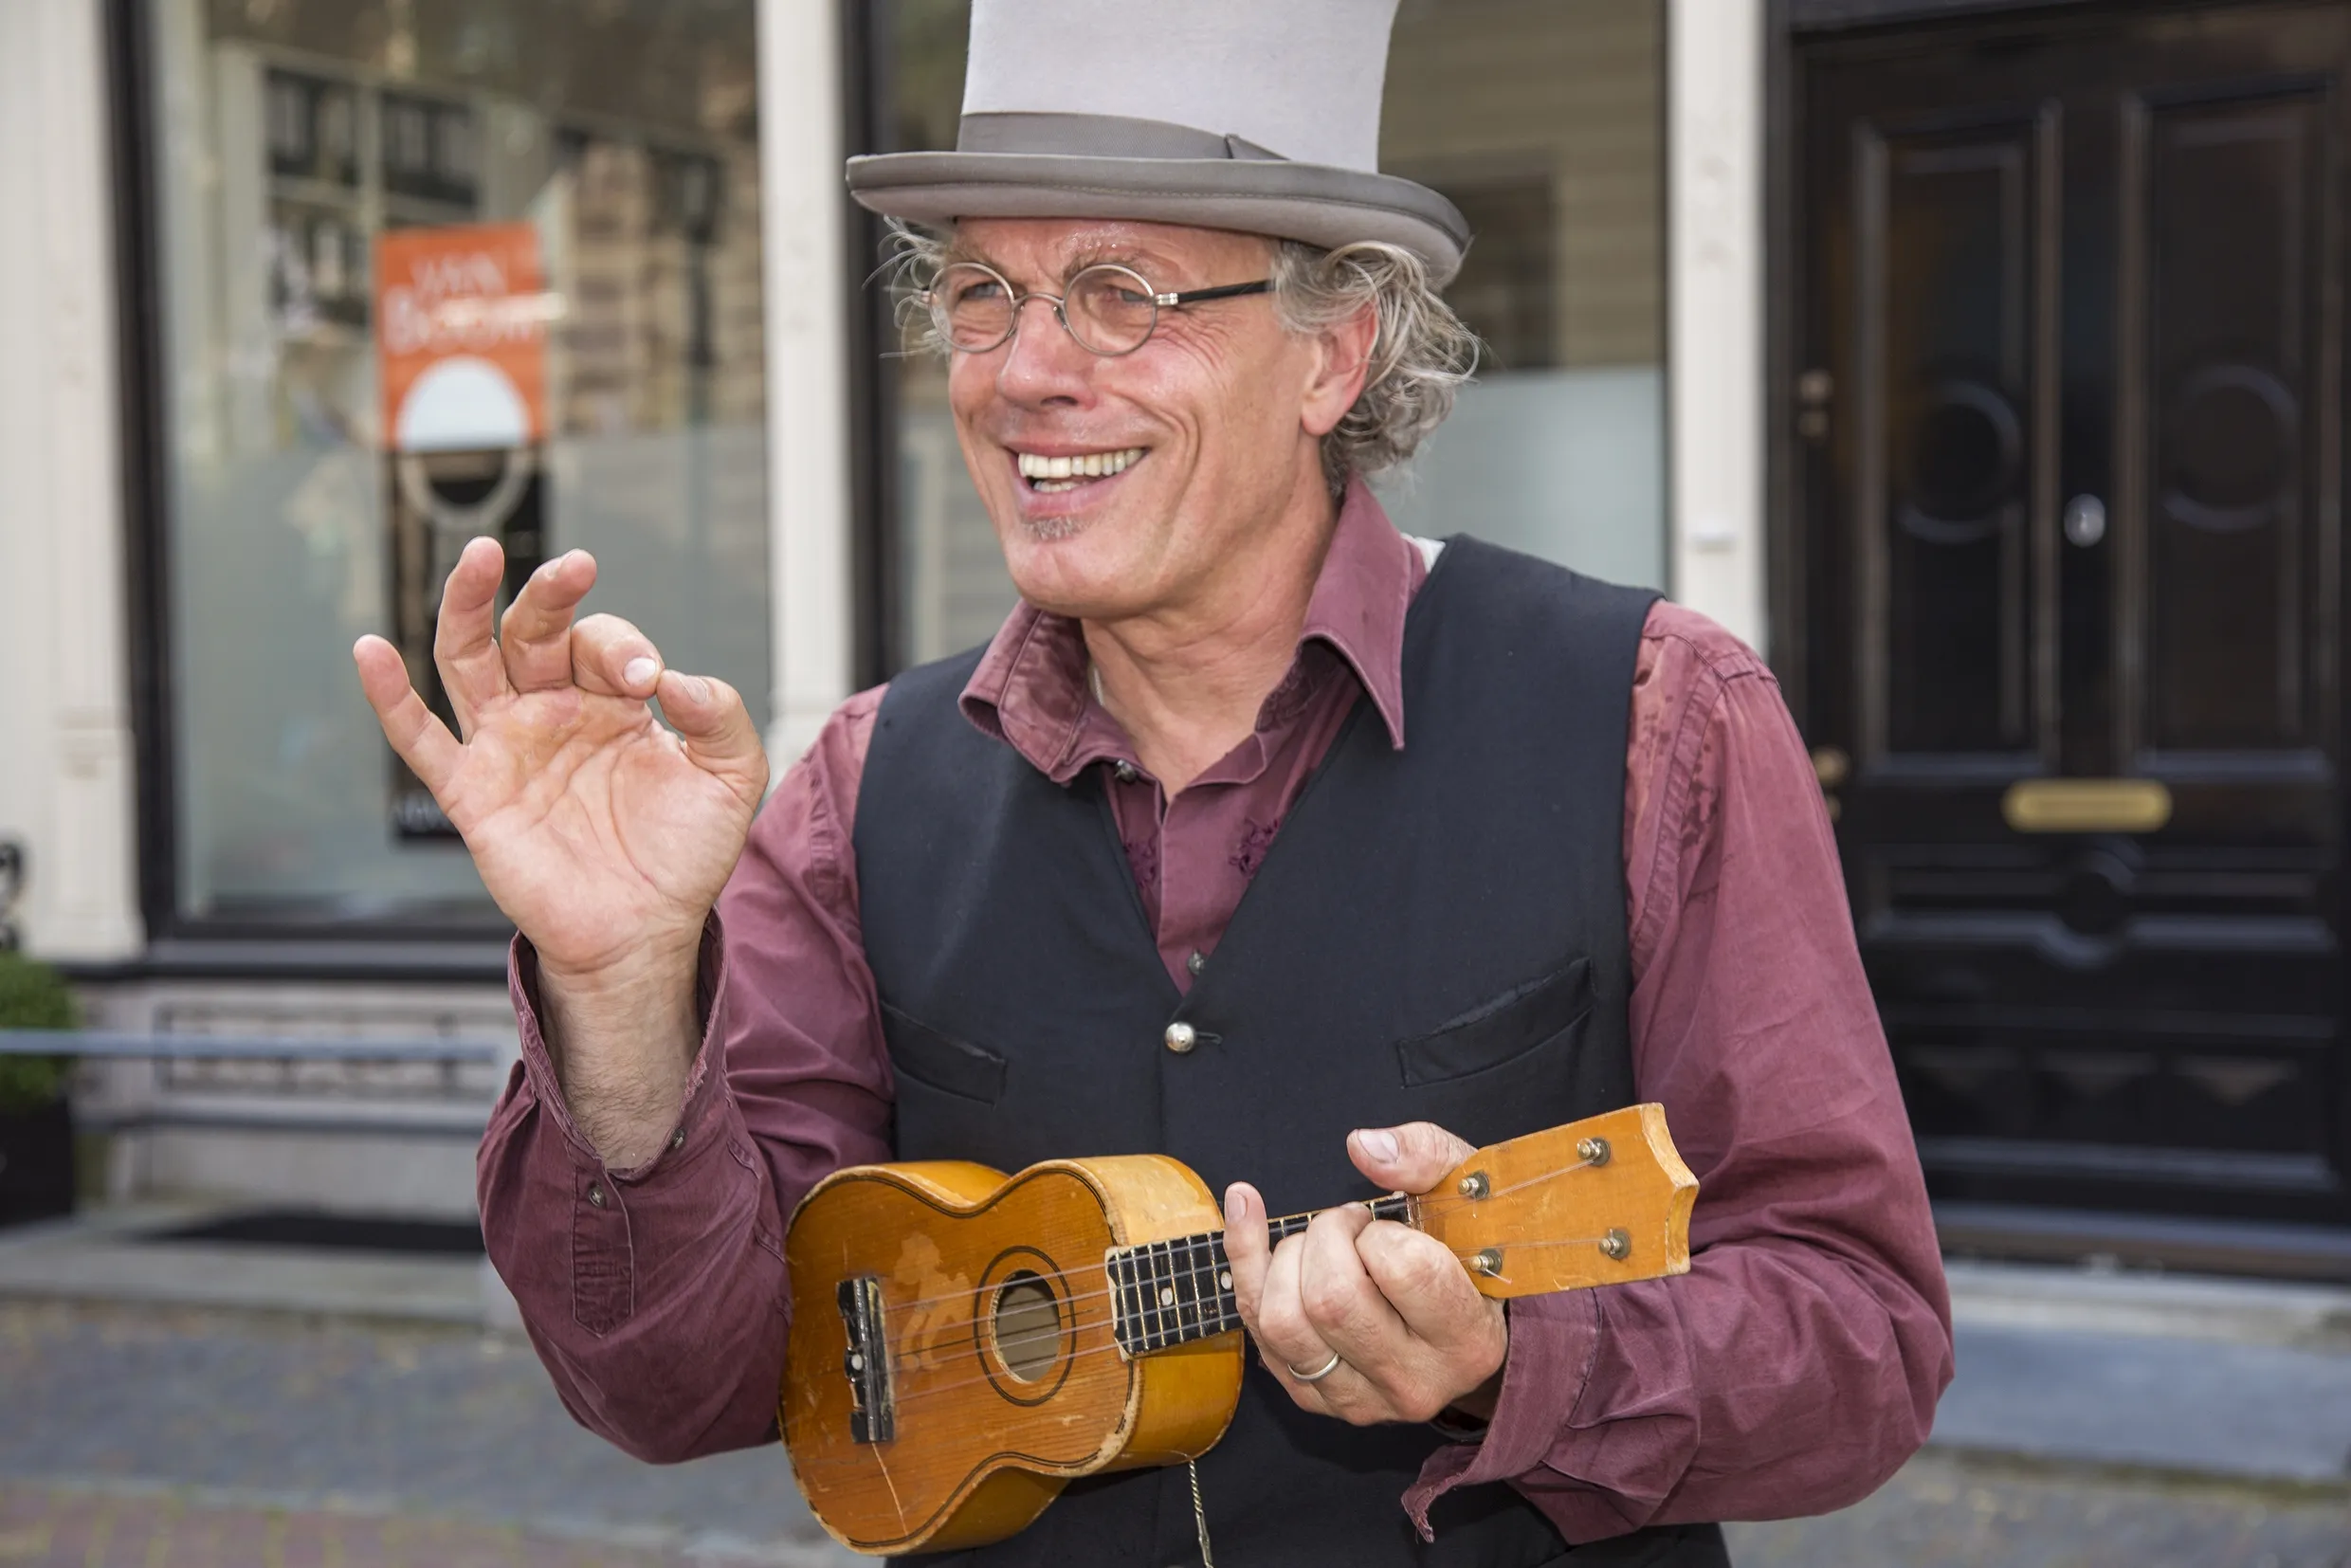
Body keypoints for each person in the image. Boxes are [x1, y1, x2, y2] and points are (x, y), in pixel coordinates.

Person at [354, 2, 1952, 1561]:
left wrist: (1519, 1361)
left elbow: (1859, 1330)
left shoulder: (1651, 715)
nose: (1026, 371)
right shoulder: (855, 794)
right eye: (982, 292)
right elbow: (674, 1379)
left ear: (1335, 349)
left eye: (1122, 293)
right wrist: (623, 984)